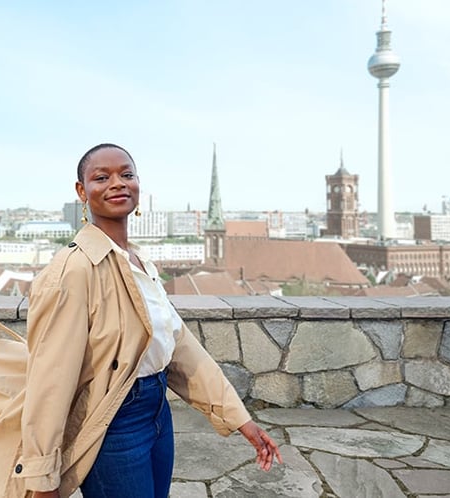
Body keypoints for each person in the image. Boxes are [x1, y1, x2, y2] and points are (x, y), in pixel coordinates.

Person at [15, 143, 282, 498]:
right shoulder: (73, 270)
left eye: (127, 174)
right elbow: (49, 380)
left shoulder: (139, 263)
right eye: (101, 177)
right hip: (114, 422)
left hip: (157, 411)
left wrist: (240, 419)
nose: (117, 183)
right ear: (82, 192)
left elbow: (180, 350)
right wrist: (42, 478)